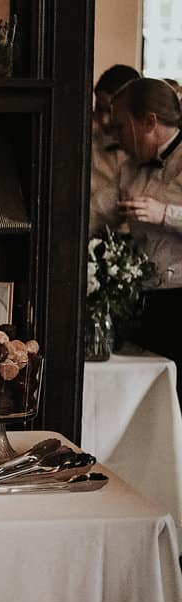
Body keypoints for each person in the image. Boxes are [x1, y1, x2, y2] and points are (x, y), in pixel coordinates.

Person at [114, 77, 182, 393]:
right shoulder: (130, 167)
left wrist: (163, 214)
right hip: (145, 302)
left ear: (150, 122)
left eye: (122, 126)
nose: (117, 137)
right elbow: (99, 208)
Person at [90, 64, 141, 235]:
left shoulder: (147, 154)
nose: (104, 120)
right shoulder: (86, 144)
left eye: (111, 112)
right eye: (99, 109)